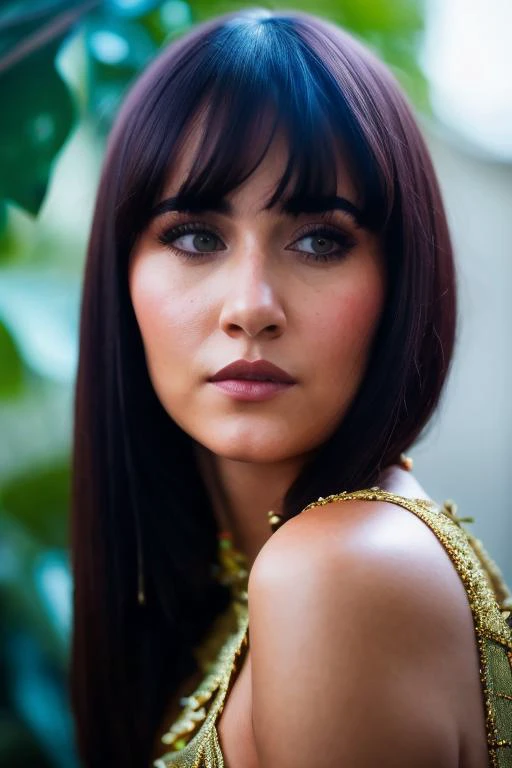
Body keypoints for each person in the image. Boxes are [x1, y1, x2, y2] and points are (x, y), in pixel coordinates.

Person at [70, 7, 512, 768]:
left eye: (319, 240)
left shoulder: (340, 574)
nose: (250, 307)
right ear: (122, 275)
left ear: (399, 281)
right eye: (196, 237)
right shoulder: (250, 579)